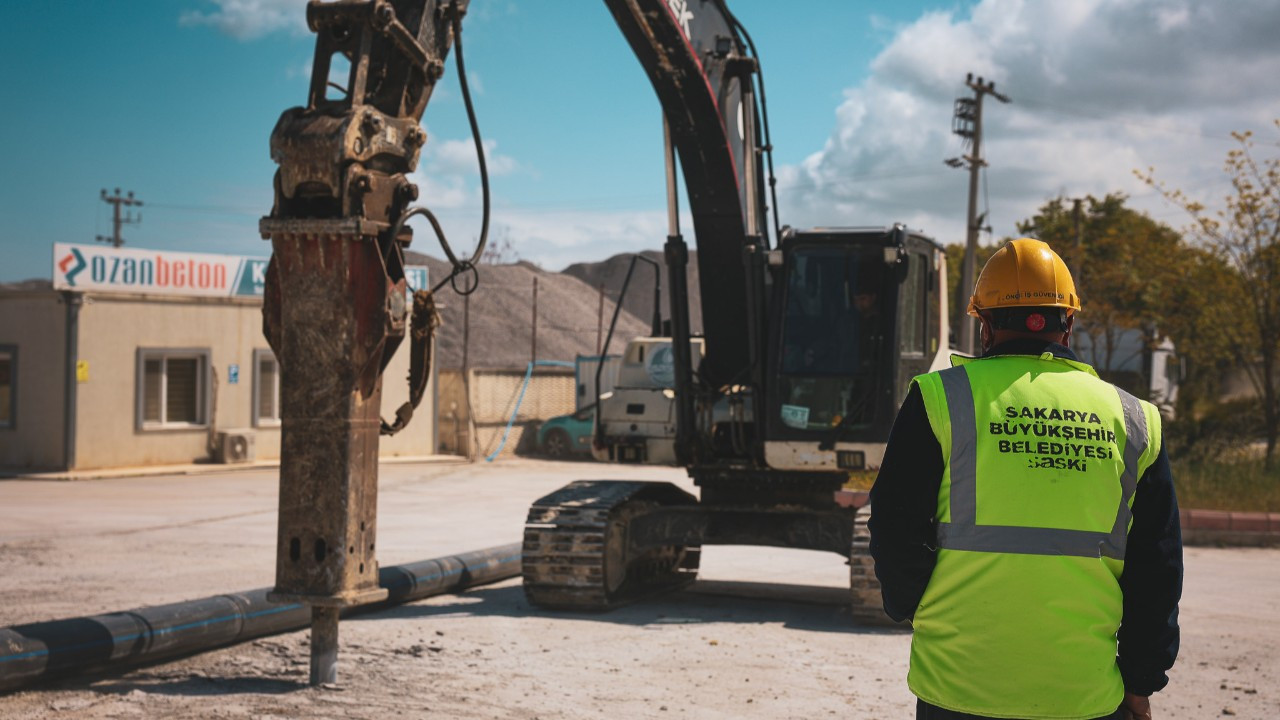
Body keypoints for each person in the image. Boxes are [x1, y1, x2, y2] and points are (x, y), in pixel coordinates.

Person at [868, 238, 1182, 720]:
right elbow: (1156, 568)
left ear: (984, 325)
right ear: (1069, 324)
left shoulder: (940, 399)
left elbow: (893, 524)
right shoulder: (1134, 419)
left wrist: (918, 609)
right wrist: (1141, 680)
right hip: (1084, 695)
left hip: (959, 685)